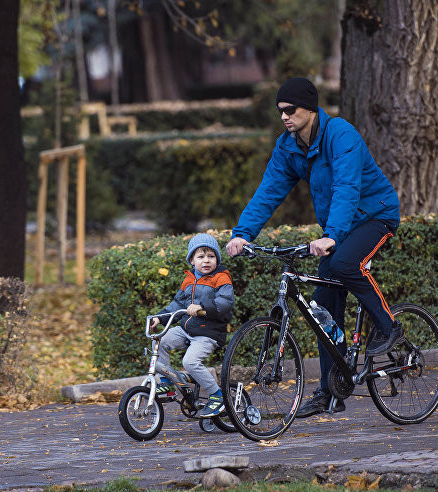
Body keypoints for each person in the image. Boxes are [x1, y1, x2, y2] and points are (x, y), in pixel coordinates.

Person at [225, 77, 403, 418]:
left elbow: (347, 187)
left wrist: (332, 236)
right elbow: (269, 191)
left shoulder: (341, 135)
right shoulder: (289, 146)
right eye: (280, 111)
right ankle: (330, 392)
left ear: (310, 108)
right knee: (323, 309)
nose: (284, 117)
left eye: (290, 110)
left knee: (346, 264)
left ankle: (389, 325)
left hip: (374, 216)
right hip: (339, 227)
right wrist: (243, 233)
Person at [152, 233, 235, 418]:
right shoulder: (189, 279)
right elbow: (177, 304)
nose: (206, 261)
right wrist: (159, 318)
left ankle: (217, 395)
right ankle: (166, 382)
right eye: (201, 256)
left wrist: (202, 308)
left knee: (189, 362)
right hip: (187, 329)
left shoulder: (221, 278)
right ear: (191, 260)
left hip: (208, 333)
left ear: (217, 259)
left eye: (211, 256)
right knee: (160, 341)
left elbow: (225, 303)